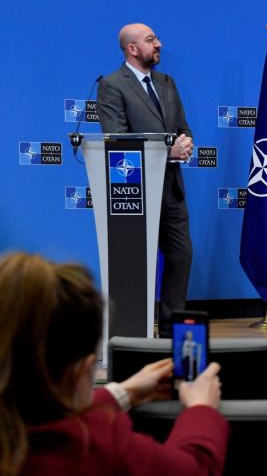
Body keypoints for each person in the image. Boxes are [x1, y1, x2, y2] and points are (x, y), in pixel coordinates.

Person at [0, 252, 229, 475]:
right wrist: (201, 409)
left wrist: (123, 393)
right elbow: (193, 468)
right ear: (82, 371)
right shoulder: (97, 446)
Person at [97, 23, 194, 337]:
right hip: (135, 191)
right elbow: (117, 139)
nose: (159, 44)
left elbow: (183, 128)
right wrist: (167, 151)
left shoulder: (167, 83)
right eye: (151, 40)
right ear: (132, 49)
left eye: (157, 39)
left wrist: (185, 143)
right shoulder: (112, 85)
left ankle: (170, 332)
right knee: (135, 263)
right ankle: (132, 333)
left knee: (182, 255)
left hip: (171, 189)